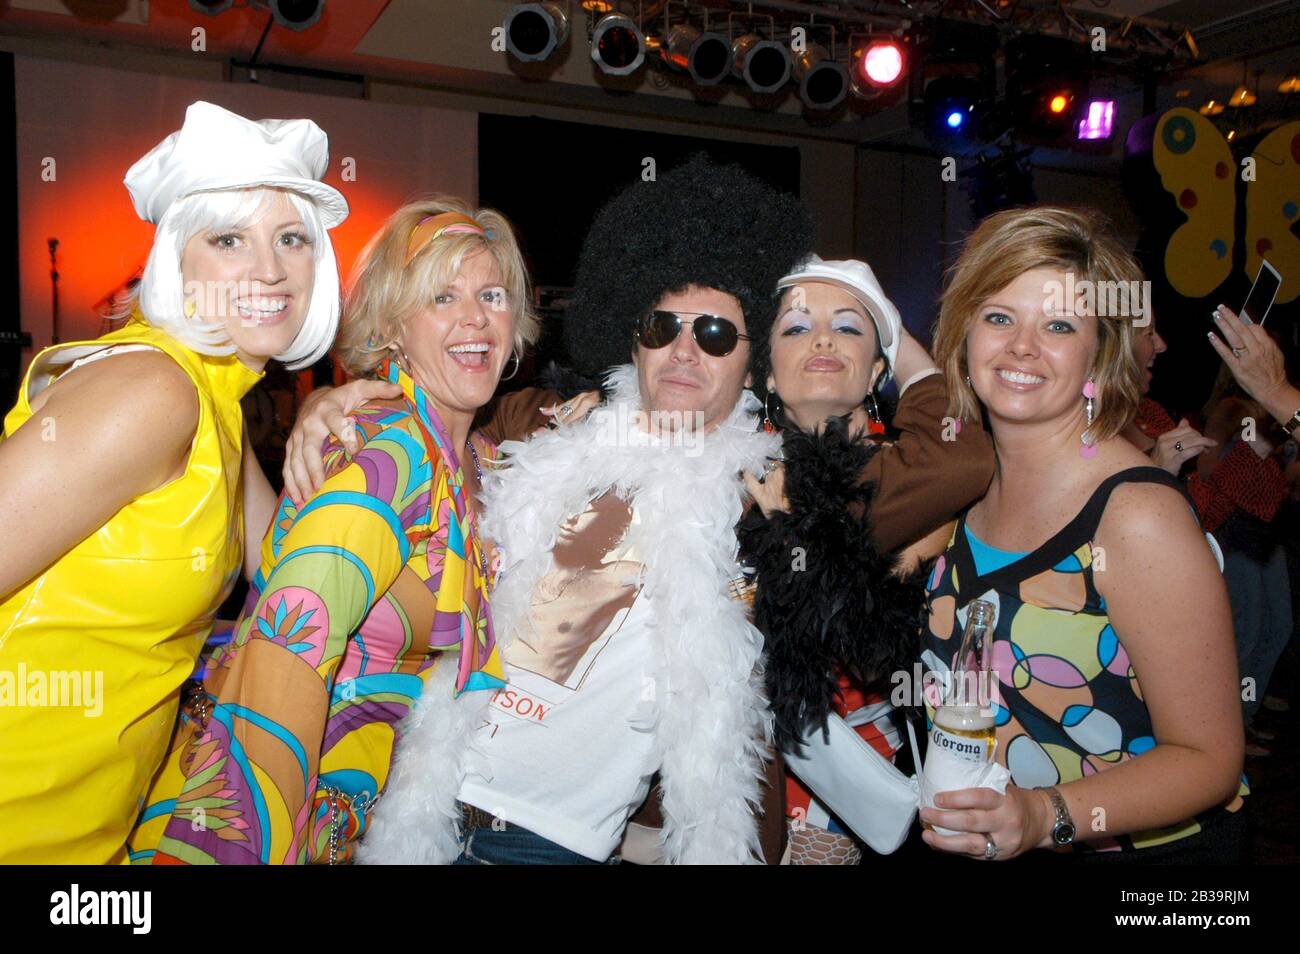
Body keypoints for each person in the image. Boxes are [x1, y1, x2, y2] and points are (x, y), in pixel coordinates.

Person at [354, 154, 814, 864]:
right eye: (662, 327)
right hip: (421, 798)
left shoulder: (767, 501)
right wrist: (341, 400)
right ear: (632, 339)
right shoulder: (543, 426)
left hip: (549, 843)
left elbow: (934, 475)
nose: (684, 350)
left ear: (754, 363)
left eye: (716, 334)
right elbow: (434, 396)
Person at [129, 196, 541, 864]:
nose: (475, 318)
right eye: (442, 296)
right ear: (392, 328)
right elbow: (286, 647)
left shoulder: (480, 465)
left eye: (492, 294)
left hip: (351, 818)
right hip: (256, 817)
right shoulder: (388, 454)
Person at [0, 101, 346, 863]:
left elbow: (294, 571)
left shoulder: (215, 404)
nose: (269, 268)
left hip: (84, 840)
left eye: (292, 238)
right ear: (175, 263)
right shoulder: (154, 391)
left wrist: (329, 402)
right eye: (229, 239)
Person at [921, 206, 1248, 862]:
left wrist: (1044, 818)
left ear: (1099, 352)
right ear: (965, 334)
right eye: (999, 316)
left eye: (1060, 325)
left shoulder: (1135, 516)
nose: (1021, 347)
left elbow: (1210, 758)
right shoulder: (966, 483)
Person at [736, 256, 994, 864]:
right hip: (747, 796)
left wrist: (901, 343)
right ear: (765, 374)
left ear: (879, 369)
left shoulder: (895, 474)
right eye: (796, 328)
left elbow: (963, 458)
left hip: (853, 807)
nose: (822, 338)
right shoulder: (734, 473)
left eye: (849, 327)